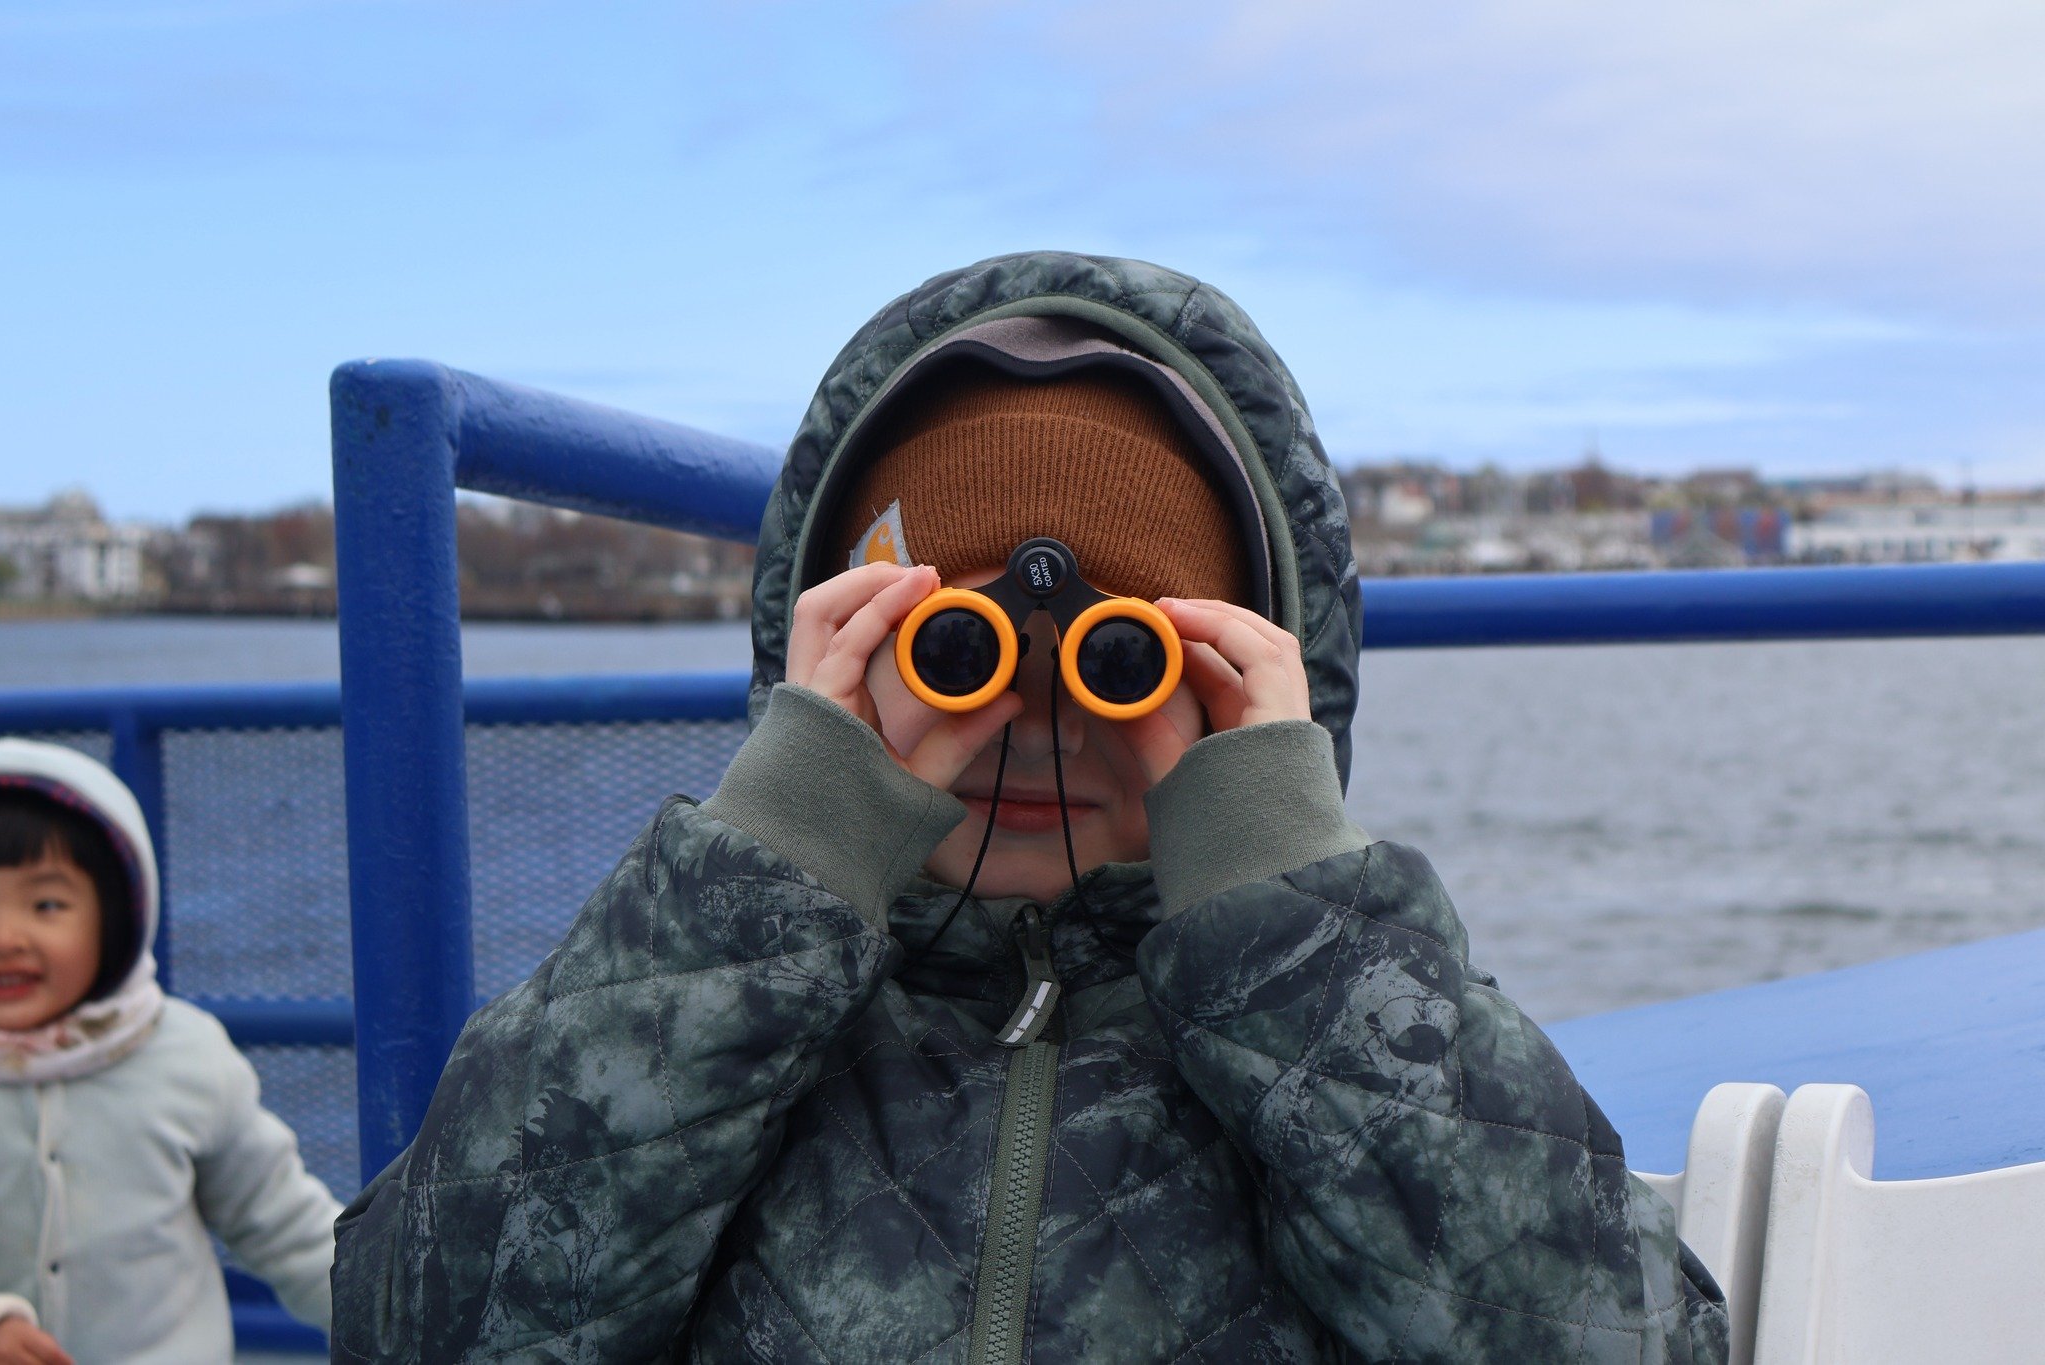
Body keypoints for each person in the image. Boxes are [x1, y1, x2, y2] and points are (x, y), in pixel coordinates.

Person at [332, 251, 1729, 1362]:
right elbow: (424, 1330)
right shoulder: (732, 1028)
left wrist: (1288, 914)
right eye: (948, 652)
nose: (1027, 719)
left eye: (1125, 664)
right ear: (822, 663)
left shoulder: (1324, 1040)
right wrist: (775, 855)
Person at [0, 738, 342, 1365]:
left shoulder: (184, 1055)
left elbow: (284, 1223)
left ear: (117, 919)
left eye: (47, 904)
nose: (5, 937)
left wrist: (400, 1320)